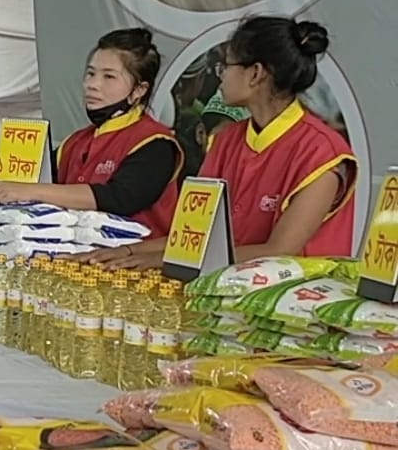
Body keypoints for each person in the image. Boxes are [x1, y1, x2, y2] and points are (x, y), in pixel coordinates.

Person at [84, 16, 356, 269]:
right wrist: (128, 251)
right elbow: (192, 233)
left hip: (295, 308)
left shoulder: (322, 152)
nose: (221, 75)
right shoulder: (226, 140)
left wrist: (158, 260)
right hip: (226, 294)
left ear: (255, 73)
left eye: (226, 66)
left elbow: (280, 252)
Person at [0, 28, 182, 238]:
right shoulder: (75, 142)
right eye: (91, 73)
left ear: (139, 90)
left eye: (109, 77)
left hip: (139, 270)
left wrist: (31, 191)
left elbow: (119, 198)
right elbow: (31, 180)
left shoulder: (155, 143)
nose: (92, 85)